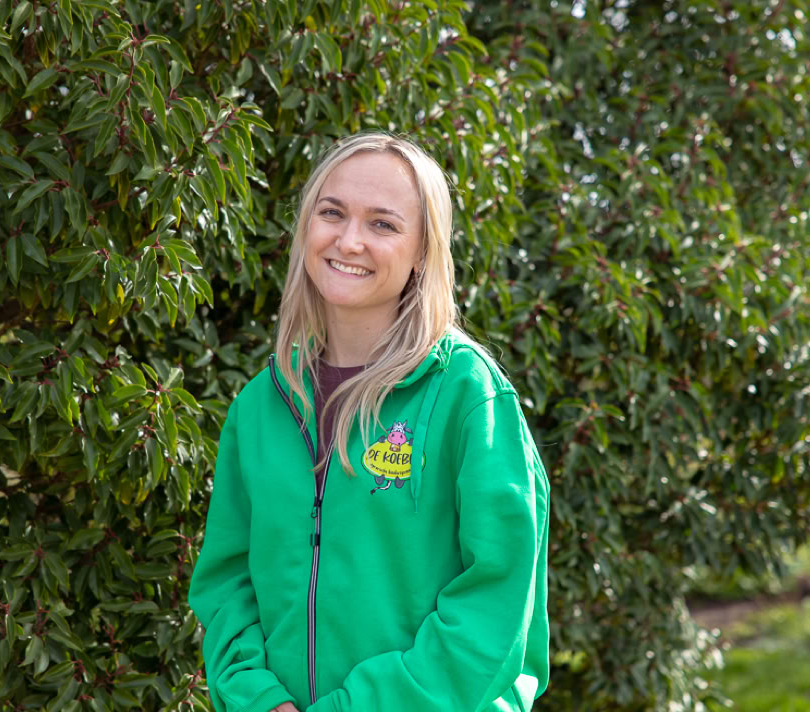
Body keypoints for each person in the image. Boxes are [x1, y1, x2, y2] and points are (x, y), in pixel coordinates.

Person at [186, 132, 550, 712]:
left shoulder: (468, 396)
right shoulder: (259, 408)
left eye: (383, 224)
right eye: (332, 213)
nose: (349, 240)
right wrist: (260, 700)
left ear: (422, 253)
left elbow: (496, 602)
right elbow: (226, 585)